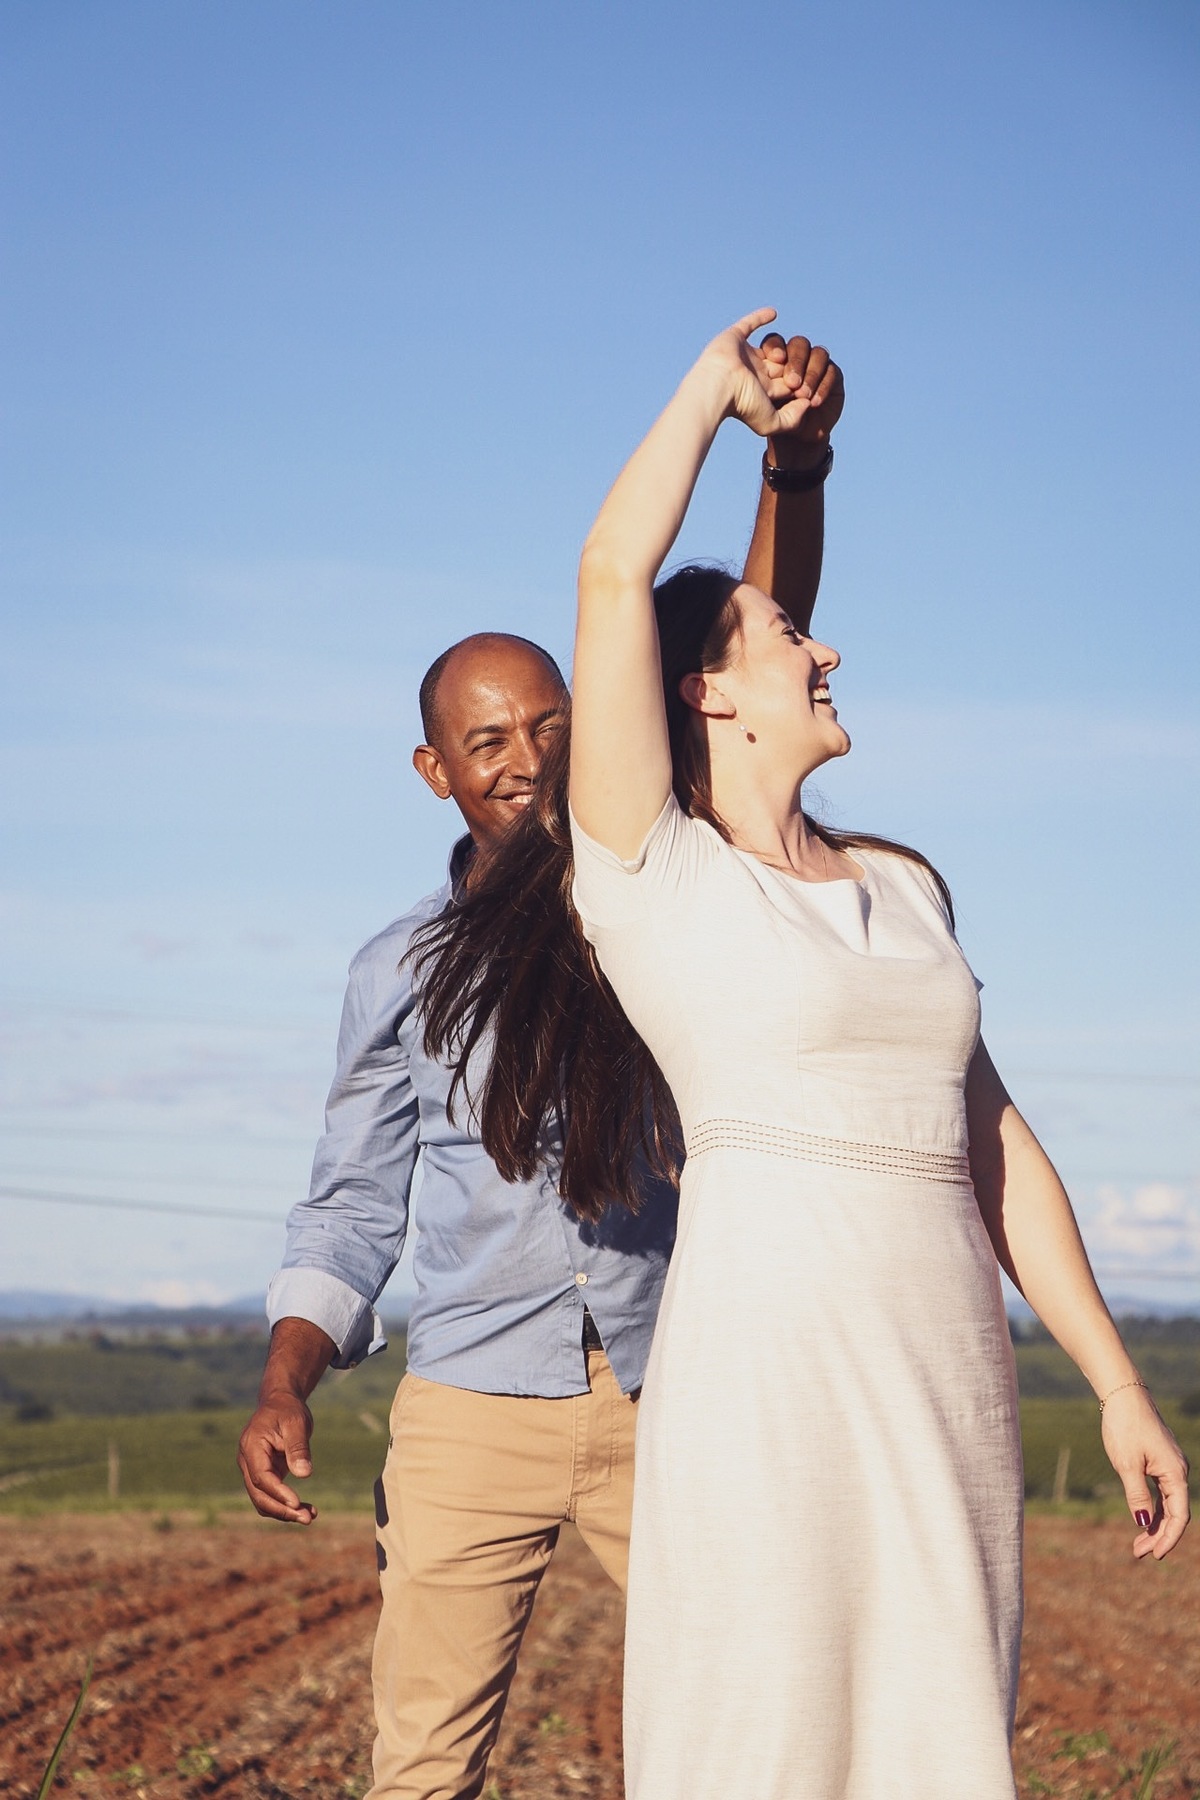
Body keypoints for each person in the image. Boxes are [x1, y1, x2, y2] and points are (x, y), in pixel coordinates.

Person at [422, 310, 1190, 1799]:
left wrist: (1114, 1384)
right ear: (705, 693)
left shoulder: (905, 889)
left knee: (939, 1741)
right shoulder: (655, 879)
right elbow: (613, 572)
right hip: (770, 1368)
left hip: (950, 1366)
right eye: (788, 638)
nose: (824, 646)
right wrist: (713, 395)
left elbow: (994, 1143)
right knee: (768, 1740)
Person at [235, 332, 845, 1800]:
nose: (522, 756)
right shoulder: (397, 970)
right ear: (435, 769)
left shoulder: (650, 876)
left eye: (550, 724)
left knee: (766, 1737)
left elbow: (747, 647)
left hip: (676, 1390)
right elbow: (351, 1209)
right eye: (487, 739)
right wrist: (283, 1383)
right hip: (468, 1410)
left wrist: (795, 463)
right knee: (421, 1769)